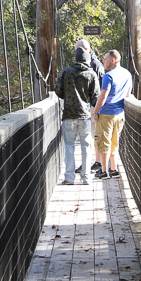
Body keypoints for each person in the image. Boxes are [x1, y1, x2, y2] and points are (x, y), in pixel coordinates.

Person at [55, 47, 100, 185]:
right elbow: (95, 95)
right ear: (87, 59)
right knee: (86, 147)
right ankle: (86, 178)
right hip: (85, 116)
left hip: (68, 115)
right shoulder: (92, 74)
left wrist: (68, 96)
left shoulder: (65, 72)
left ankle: (69, 178)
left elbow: (58, 91)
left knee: (69, 146)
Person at [93, 49, 133, 180]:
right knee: (114, 142)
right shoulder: (127, 74)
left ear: (113, 60)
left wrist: (96, 112)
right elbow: (127, 95)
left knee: (103, 142)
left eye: (105, 59)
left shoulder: (108, 76)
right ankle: (114, 169)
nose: (103, 61)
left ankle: (104, 171)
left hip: (106, 114)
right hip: (120, 114)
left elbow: (103, 96)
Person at [74, 39, 105, 172]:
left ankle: (96, 162)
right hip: (85, 106)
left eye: (77, 50)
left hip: (93, 106)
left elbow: (100, 89)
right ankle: (91, 163)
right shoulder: (86, 63)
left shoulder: (95, 64)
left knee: (91, 135)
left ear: (83, 49)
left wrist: (96, 109)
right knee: (87, 136)